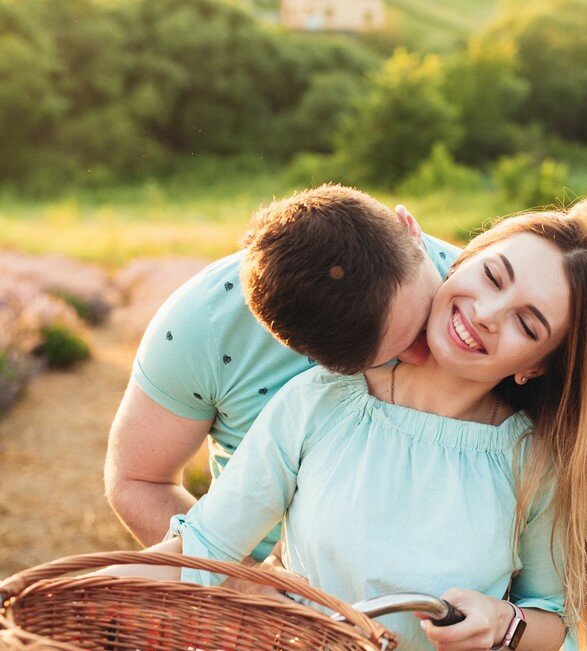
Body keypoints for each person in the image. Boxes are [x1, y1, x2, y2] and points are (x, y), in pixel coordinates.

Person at [104, 201, 587, 651]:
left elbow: (549, 620)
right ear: (462, 258)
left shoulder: (532, 458)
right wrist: (47, 595)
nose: (486, 314)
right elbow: (200, 550)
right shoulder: (320, 400)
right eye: (494, 277)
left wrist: (503, 625)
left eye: (529, 325)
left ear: (539, 366)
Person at [104, 184, 459, 560]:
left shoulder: (490, 297)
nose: (425, 356)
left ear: (410, 229)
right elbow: (139, 481)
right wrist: (242, 585)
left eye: (424, 321)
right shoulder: (203, 325)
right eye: (390, 354)